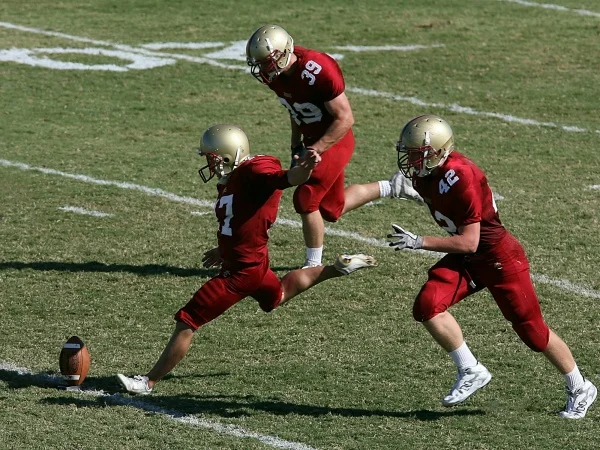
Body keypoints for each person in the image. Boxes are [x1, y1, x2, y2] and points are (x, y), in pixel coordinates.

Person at [116, 124, 376, 394]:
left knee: (188, 320)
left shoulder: (255, 171)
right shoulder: (236, 178)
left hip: (240, 273)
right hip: (254, 263)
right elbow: (242, 218)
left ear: (230, 155)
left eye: (212, 157)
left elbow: (289, 178)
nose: (209, 162)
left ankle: (147, 382)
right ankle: (338, 268)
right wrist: (225, 249)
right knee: (278, 296)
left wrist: (306, 168)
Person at [386, 114, 596, 419]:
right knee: (428, 305)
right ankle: (470, 369)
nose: (412, 160)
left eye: (419, 154)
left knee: (533, 332)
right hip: (471, 259)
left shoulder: (462, 176)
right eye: (411, 153)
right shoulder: (423, 175)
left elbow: (470, 241)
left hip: (497, 257)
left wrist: (420, 242)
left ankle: (580, 387)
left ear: (439, 151)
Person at [245, 24, 420, 268]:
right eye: (260, 62)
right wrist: (296, 142)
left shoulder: (317, 69)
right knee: (331, 209)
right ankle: (393, 186)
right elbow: (295, 109)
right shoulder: (276, 75)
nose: (263, 68)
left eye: (266, 62)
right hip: (311, 141)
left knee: (305, 199)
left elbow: (345, 118)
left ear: (283, 53)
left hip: (334, 140)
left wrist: (316, 148)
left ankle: (312, 264)